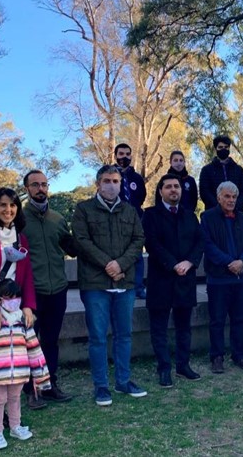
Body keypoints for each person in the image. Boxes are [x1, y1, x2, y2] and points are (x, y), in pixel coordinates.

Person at [72, 165, 147, 406]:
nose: (111, 185)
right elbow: (81, 241)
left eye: (115, 181)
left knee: (124, 335)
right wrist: (108, 264)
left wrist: (121, 264)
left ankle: (123, 381)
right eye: (106, 180)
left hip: (124, 282)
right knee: (98, 337)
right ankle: (101, 386)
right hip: (95, 284)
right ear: (98, 184)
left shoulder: (130, 210)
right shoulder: (83, 209)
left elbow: (138, 240)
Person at [0, 187, 46, 448]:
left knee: (11, 369)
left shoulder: (21, 238)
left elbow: (28, 277)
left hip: (14, 309)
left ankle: (13, 424)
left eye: (12, 206)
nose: (7, 210)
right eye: (2, 205)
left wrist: (28, 306)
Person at [143, 174, 204, 387]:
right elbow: (152, 243)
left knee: (183, 327)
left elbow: (199, 242)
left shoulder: (190, 215)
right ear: (160, 191)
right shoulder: (150, 215)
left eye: (176, 186)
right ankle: (164, 369)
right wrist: (173, 264)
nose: (173, 190)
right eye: (168, 186)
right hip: (161, 279)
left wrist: (190, 262)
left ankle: (183, 366)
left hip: (185, 278)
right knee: (159, 328)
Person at [22, 169, 75, 409]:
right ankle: (30, 390)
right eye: (35, 185)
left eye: (44, 184)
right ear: (27, 189)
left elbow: (71, 246)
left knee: (51, 341)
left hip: (58, 289)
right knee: (28, 343)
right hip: (31, 293)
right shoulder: (18, 221)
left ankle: (50, 385)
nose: (40, 189)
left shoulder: (58, 218)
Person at [201, 181, 243, 373]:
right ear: (218, 198)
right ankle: (217, 357)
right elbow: (207, 245)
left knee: (239, 319)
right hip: (218, 278)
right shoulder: (207, 217)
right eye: (227, 196)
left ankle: (239, 355)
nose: (231, 200)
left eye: (234, 197)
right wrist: (228, 262)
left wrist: (241, 261)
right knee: (217, 320)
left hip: (239, 278)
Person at [0, 280, 50, 449]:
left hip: (19, 371)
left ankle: (15, 427)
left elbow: (33, 347)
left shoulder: (23, 321)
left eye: (17, 297)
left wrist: (40, 374)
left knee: (15, 398)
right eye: (10, 298)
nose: (14, 301)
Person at [114, 143, 147, 299]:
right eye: (121, 154)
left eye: (127, 154)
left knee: (137, 256)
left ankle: (138, 288)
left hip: (135, 221)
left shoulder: (137, 178)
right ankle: (122, 286)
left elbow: (141, 197)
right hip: (116, 222)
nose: (124, 157)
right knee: (120, 255)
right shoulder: (111, 176)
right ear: (115, 156)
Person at [199, 135, 243, 212]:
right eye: (220, 147)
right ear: (216, 149)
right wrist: (219, 207)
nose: (223, 149)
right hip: (214, 213)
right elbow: (205, 192)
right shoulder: (206, 170)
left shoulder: (239, 170)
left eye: (226, 147)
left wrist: (235, 206)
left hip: (236, 213)